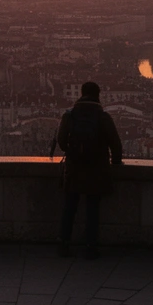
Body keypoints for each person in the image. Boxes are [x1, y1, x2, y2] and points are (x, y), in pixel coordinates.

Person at [56, 81, 123, 259]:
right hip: (97, 168)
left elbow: (61, 140)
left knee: (70, 205)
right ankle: (91, 246)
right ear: (98, 95)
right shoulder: (103, 117)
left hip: (74, 167)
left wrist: (72, 152)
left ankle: (64, 243)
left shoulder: (69, 115)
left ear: (81, 93)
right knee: (93, 208)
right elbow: (116, 144)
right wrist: (115, 161)